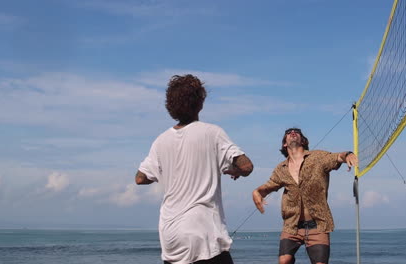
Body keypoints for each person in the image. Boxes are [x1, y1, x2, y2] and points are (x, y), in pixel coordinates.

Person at [135, 74, 254, 264]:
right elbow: (246, 166)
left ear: (170, 105)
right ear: (200, 103)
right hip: (203, 232)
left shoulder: (160, 141)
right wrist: (236, 171)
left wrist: (168, 170)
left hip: (171, 235)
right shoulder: (212, 133)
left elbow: (140, 178)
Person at [252, 128, 358, 264]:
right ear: (285, 143)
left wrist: (348, 154)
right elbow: (268, 186)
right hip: (292, 226)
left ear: (303, 140)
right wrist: (257, 192)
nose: (293, 133)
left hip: (318, 225)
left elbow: (337, 156)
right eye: (288, 133)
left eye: (297, 132)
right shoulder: (281, 168)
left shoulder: (317, 157)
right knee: (284, 261)